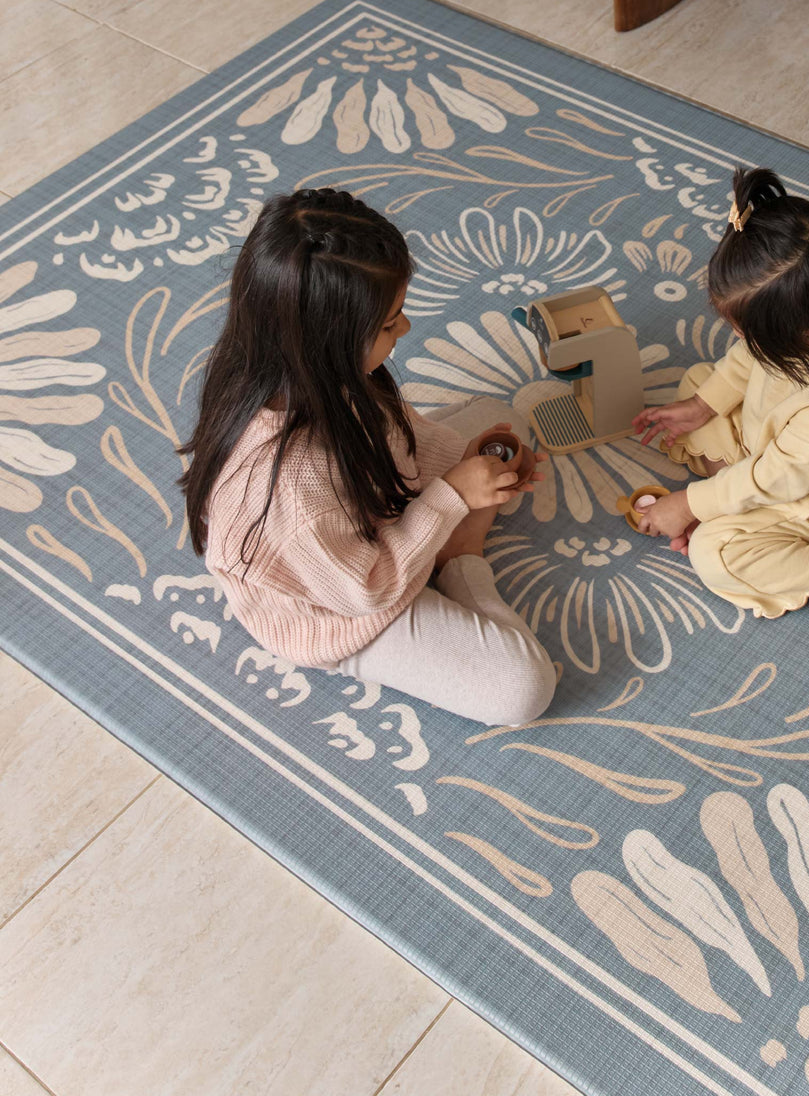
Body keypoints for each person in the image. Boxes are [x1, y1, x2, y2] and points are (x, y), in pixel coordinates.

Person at [180, 188, 557, 727]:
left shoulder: (303, 366)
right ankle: (458, 557)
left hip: (361, 511)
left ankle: (440, 534)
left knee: (504, 424)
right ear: (330, 340)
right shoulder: (289, 483)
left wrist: (466, 465)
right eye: (389, 323)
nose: (404, 329)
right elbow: (367, 590)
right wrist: (454, 501)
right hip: (343, 604)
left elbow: (397, 437)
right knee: (524, 690)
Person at [631, 166, 809, 660]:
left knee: (715, 552)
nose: (740, 342)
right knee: (700, 382)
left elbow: (775, 480)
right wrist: (702, 407)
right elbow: (746, 362)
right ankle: (727, 493)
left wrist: (693, 505)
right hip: (776, 445)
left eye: (747, 334)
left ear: (803, 340)